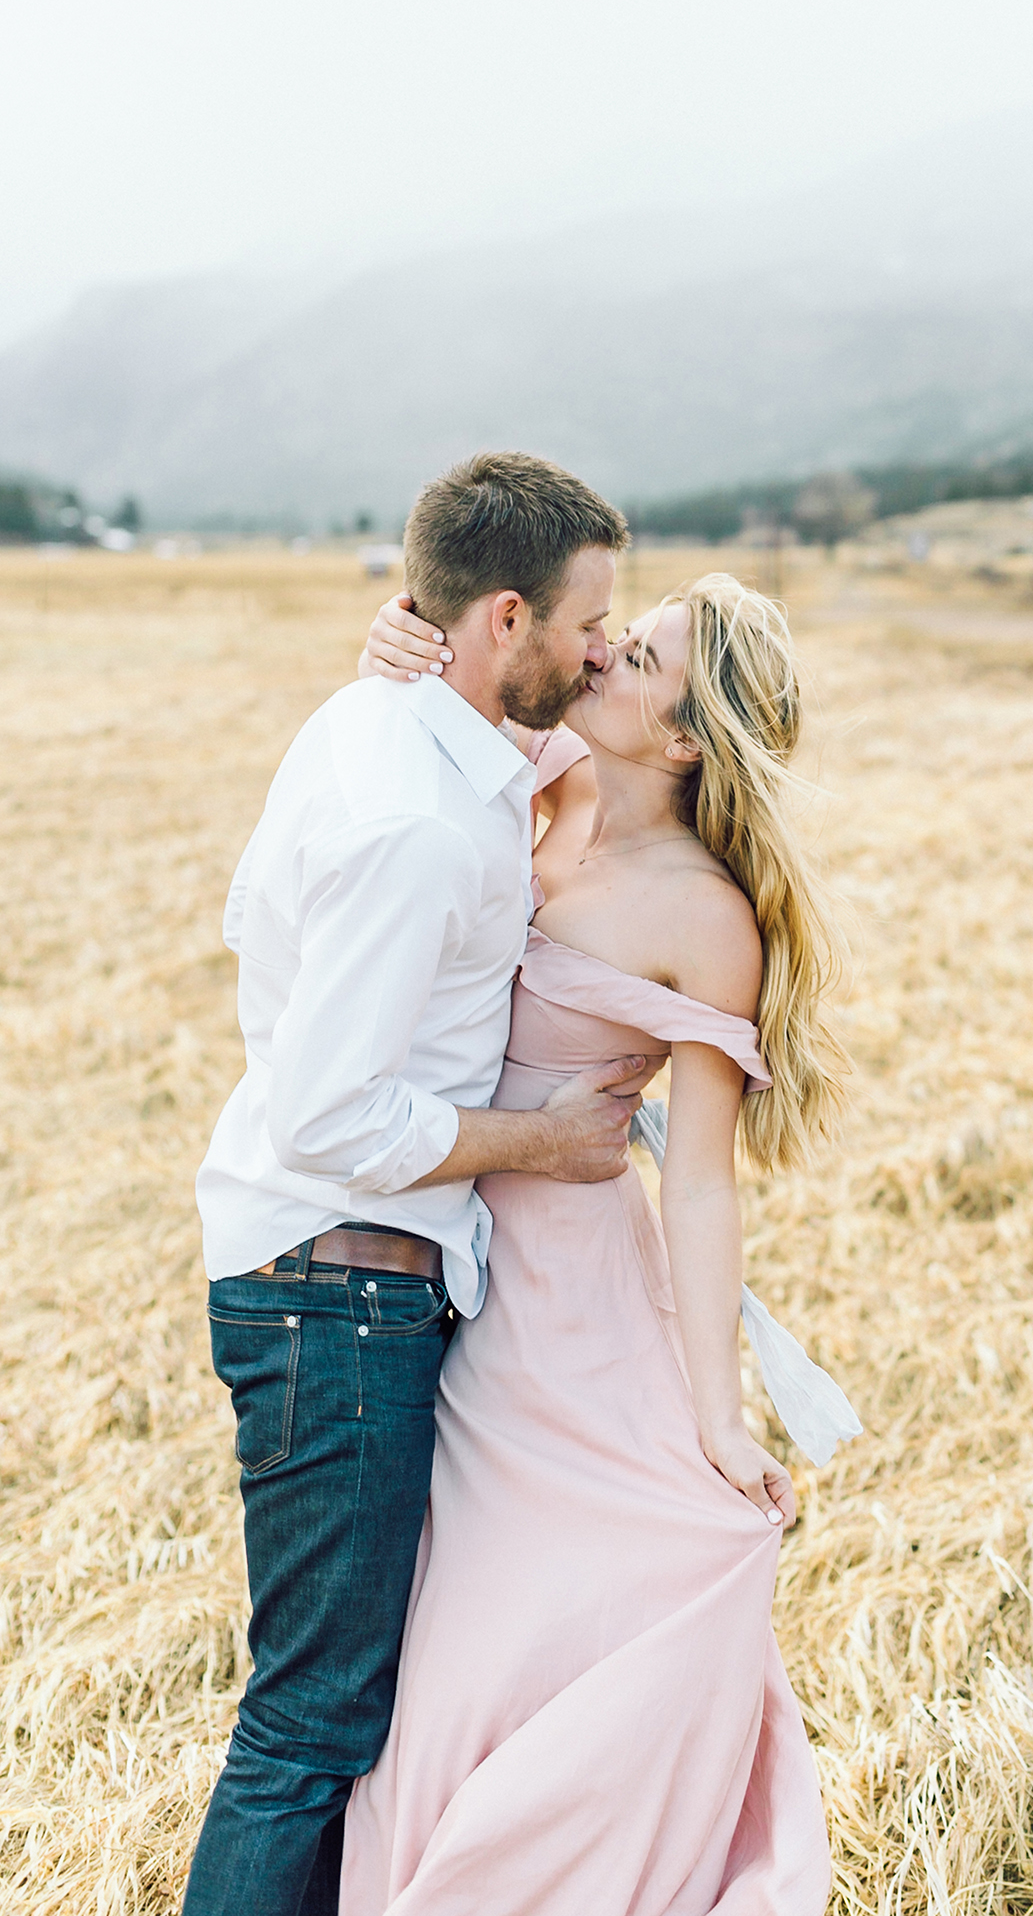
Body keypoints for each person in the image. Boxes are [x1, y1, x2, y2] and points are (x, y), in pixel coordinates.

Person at [338, 571, 851, 1913]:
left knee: (547, 1617)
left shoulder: (704, 919)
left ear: (684, 739)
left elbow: (698, 1184)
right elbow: (411, 730)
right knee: (439, 1651)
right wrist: (399, 639)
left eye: (640, 655)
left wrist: (721, 1421)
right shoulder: (542, 759)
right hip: (440, 1249)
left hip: (571, 1307)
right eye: (622, 632)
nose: (603, 652)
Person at [185, 453, 651, 1916]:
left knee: (335, 1717)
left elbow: (246, 910)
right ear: (504, 615)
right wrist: (546, 1140)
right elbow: (333, 1111)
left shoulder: (386, 722)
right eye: (589, 622)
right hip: (340, 1298)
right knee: (312, 1723)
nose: (599, 651)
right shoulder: (413, 819)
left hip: (345, 1289)